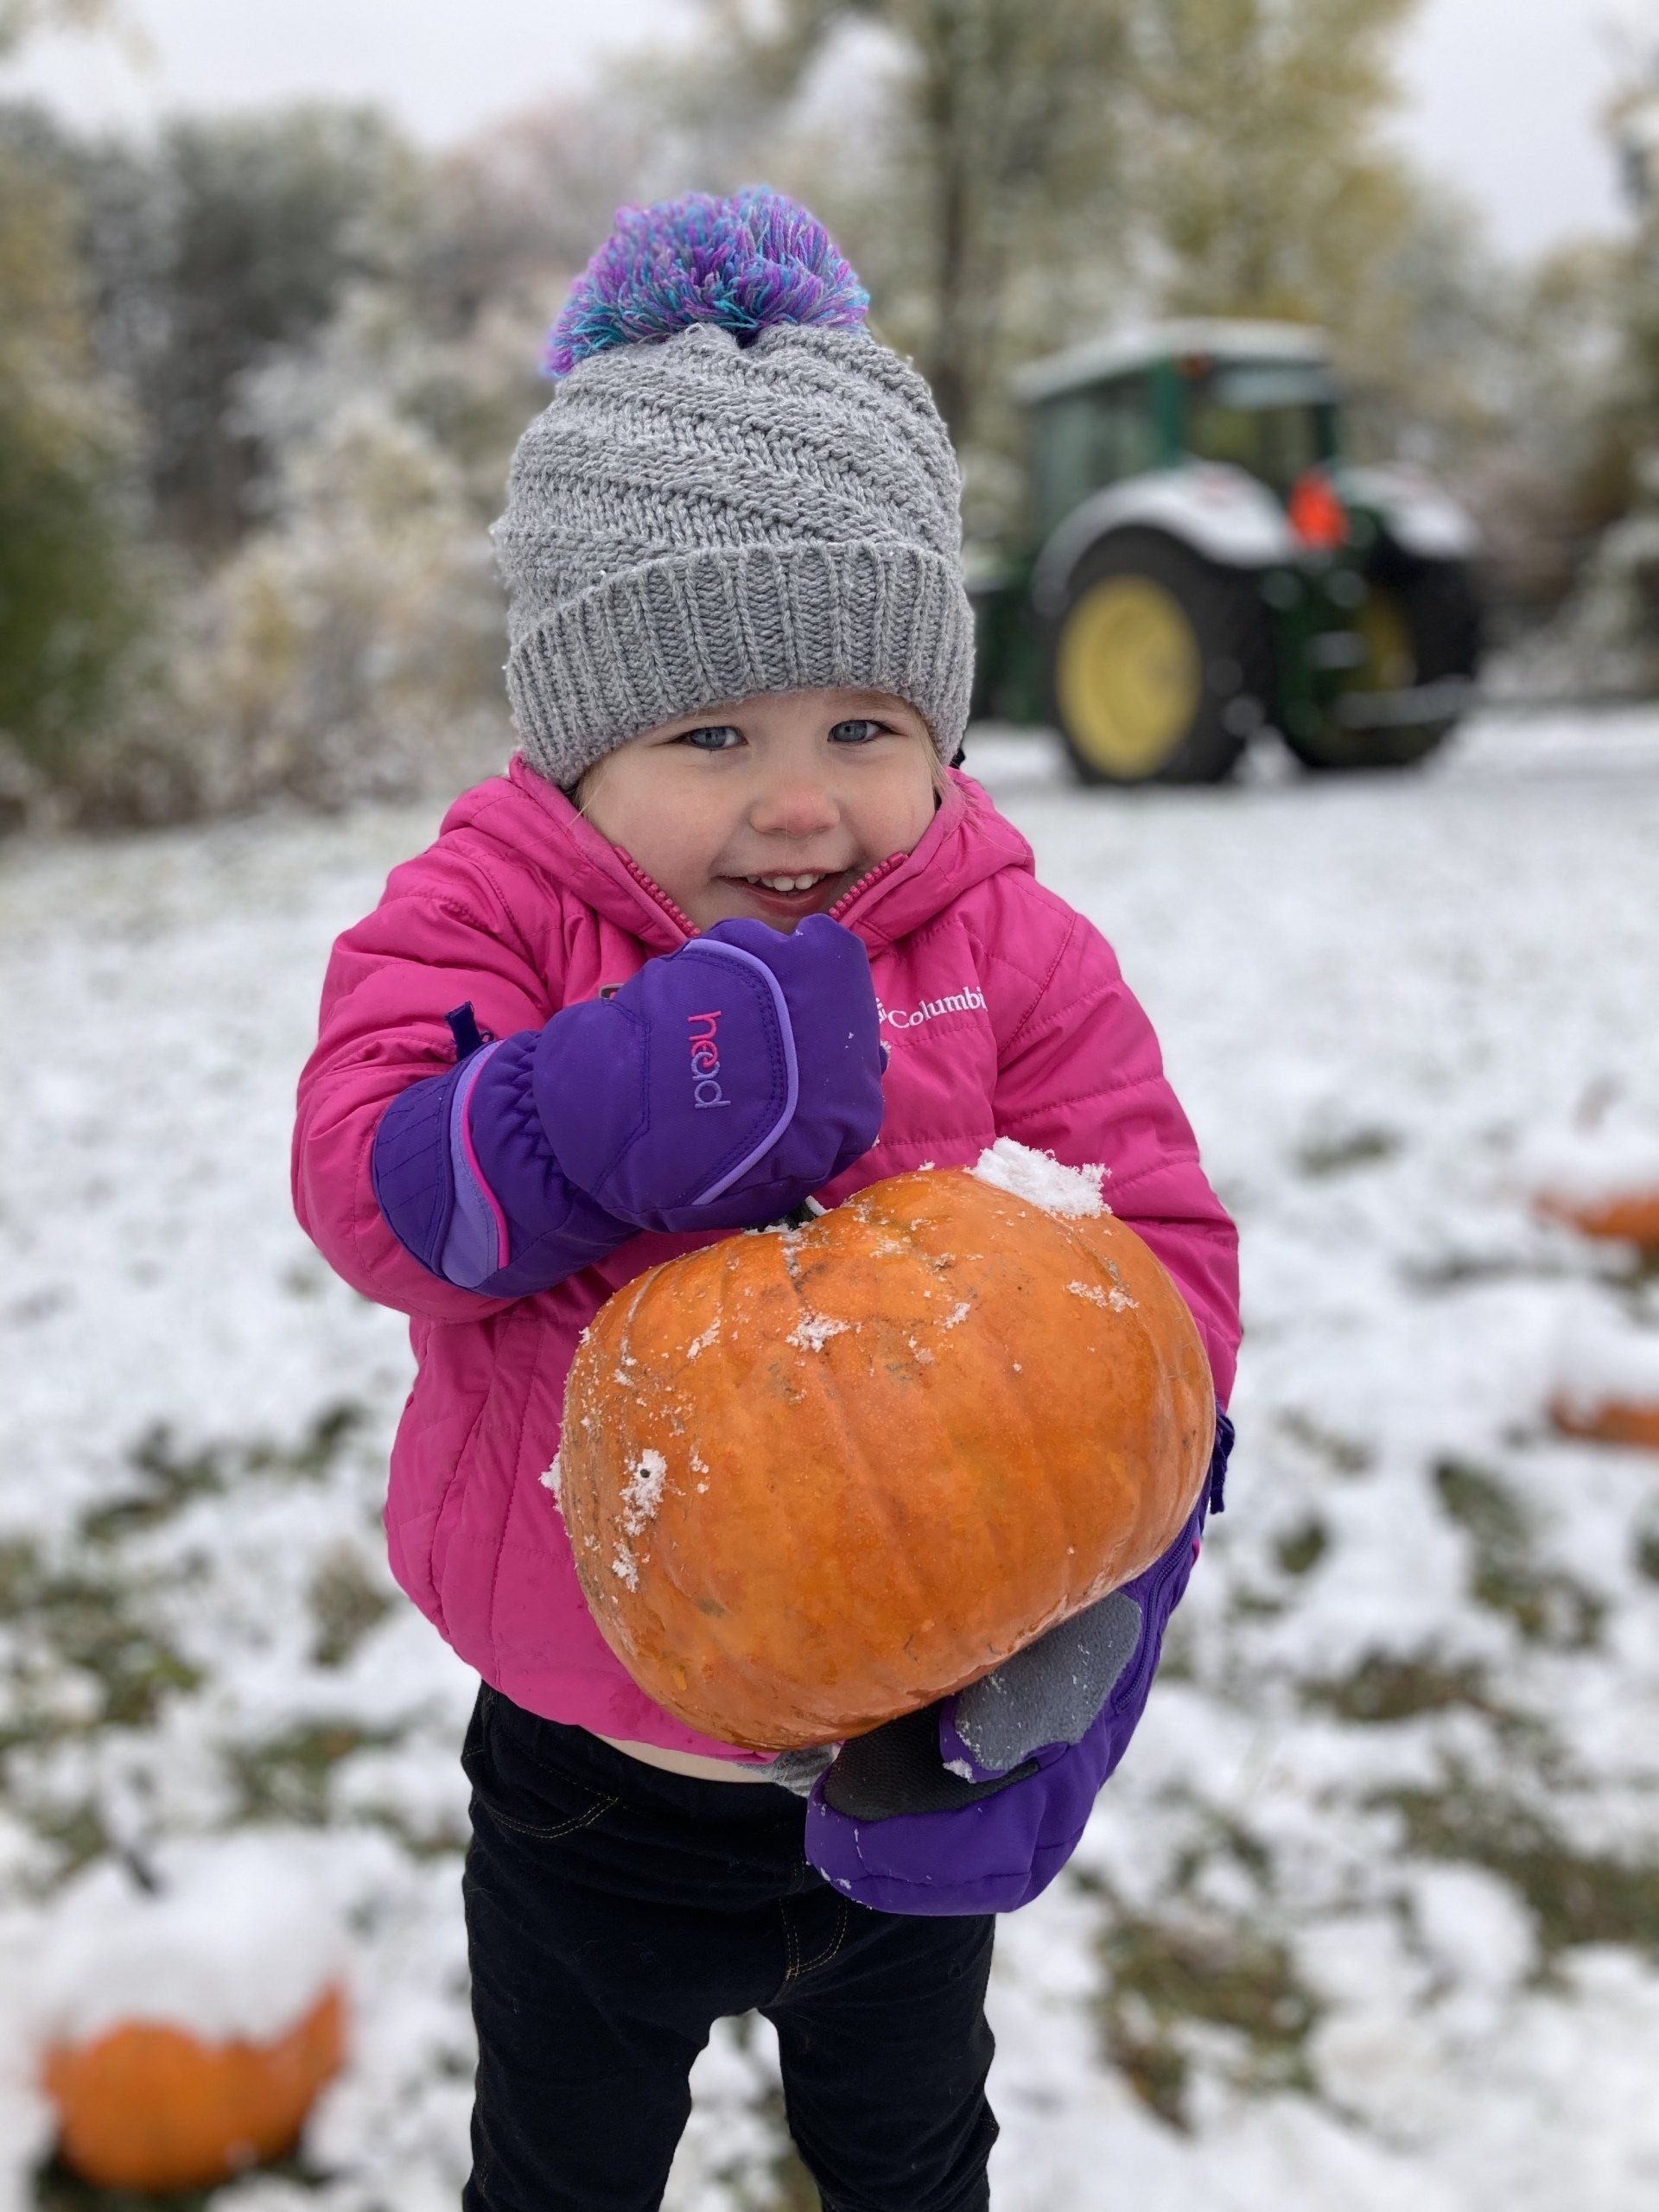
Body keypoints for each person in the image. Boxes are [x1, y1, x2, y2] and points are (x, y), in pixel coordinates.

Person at [292, 188, 1240, 2212]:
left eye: (862, 727)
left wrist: (1122, 1561)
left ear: (941, 725)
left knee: (911, 2146)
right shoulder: (496, 915)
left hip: (906, 1759)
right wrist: (619, 1098)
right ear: (575, 740)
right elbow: (378, 1189)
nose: (799, 798)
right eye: (711, 731)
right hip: (584, 1776)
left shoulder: (1006, 940)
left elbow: (1157, 1245)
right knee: (561, 2155)